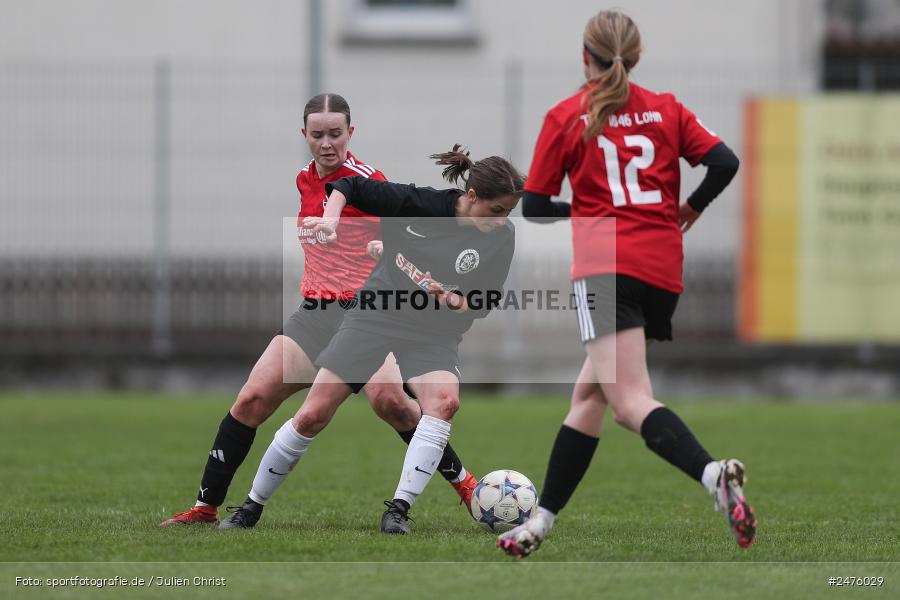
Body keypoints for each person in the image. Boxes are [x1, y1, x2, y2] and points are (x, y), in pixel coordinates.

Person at [497, 11, 755, 557]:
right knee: (589, 394)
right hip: (662, 268)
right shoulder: (666, 108)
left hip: (605, 267)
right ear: (636, 57)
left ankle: (713, 475)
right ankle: (538, 522)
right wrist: (691, 207)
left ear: (583, 55)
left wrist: (586, 210)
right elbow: (725, 162)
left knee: (628, 402)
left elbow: (538, 207)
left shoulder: (568, 115)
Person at [160, 94, 479, 528]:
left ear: (351, 133)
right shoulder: (304, 179)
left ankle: (470, 489)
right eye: (317, 134)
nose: (327, 143)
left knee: (394, 404)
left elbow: (408, 234)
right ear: (304, 136)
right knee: (252, 398)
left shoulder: (368, 180)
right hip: (315, 314)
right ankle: (205, 508)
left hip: (365, 314)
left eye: (335, 133)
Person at [237, 145, 524, 534]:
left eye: (509, 211)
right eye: (496, 210)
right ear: (471, 197)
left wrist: (453, 300)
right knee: (312, 414)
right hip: (376, 315)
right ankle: (250, 508)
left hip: (433, 332)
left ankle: (398, 511)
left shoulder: (501, 237)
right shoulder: (420, 204)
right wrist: (330, 219)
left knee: (444, 403)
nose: (502, 219)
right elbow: (349, 185)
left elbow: (483, 301)